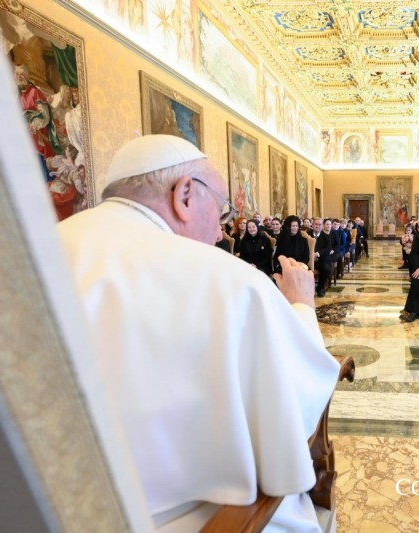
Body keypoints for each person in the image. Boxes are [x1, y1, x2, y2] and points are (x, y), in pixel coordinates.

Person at [57, 134, 340, 530]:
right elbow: (297, 410)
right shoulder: (230, 280)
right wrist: (301, 306)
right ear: (185, 194)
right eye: (222, 213)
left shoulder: (44, 248)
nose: (221, 234)